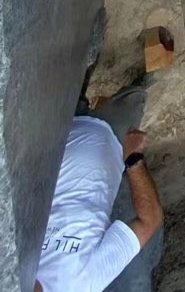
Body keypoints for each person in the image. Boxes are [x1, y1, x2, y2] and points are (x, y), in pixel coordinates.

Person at [34, 85, 163, 292]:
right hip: (109, 136)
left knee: (62, 73)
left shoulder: (13, 268)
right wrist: (133, 158)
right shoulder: (83, 281)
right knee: (136, 94)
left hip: (53, 134)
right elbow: (150, 220)